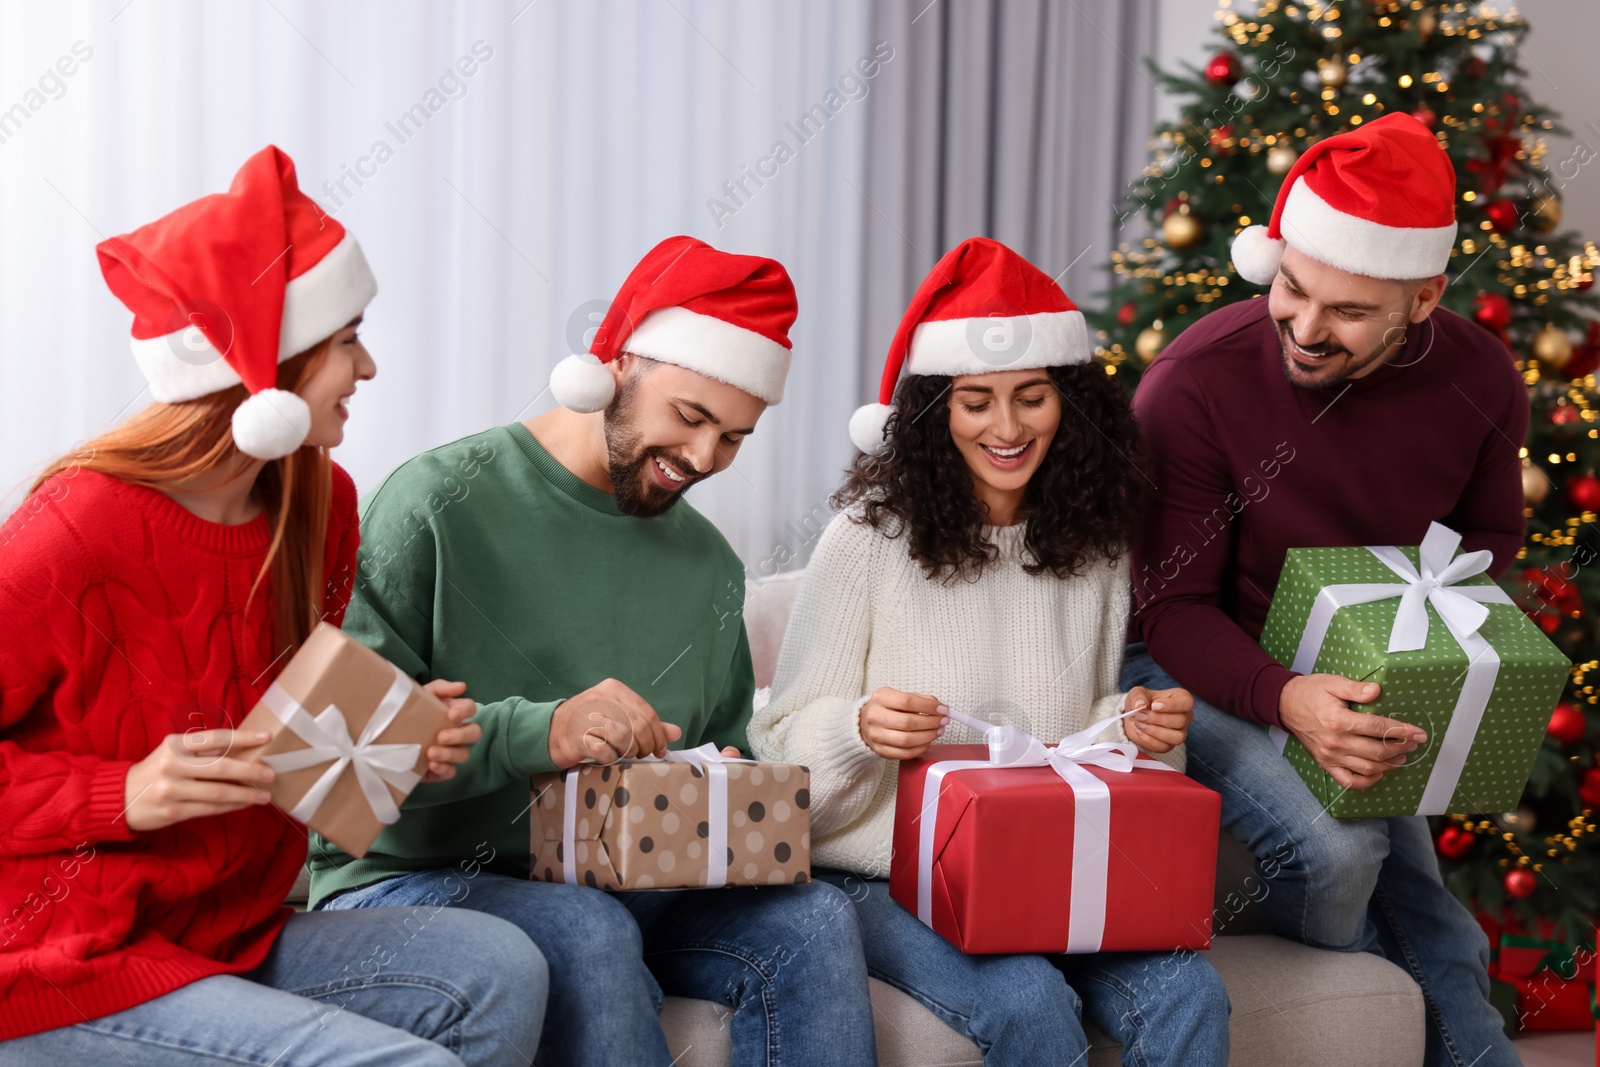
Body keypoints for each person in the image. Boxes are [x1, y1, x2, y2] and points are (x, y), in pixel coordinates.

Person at [0, 147, 546, 1066]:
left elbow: (281, 745)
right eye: (346, 339)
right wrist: (119, 793)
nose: (368, 366)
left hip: (227, 930)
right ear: (267, 361)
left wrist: (399, 741)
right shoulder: (74, 532)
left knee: (500, 969)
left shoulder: (317, 505)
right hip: (59, 958)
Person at [309, 235, 879, 1067]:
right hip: (410, 881)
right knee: (584, 926)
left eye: (733, 438)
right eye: (689, 416)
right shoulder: (436, 501)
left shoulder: (708, 563)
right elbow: (332, 771)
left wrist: (720, 782)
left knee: (815, 919)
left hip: (627, 878)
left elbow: (723, 749)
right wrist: (541, 733)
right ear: (613, 363)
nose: (702, 458)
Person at [749, 237, 1230, 1067]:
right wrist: (860, 728)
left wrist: (1138, 722)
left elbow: (1077, 735)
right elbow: (781, 755)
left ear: (1069, 404)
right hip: (882, 876)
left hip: (1041, 863)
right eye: (976, 401)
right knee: (1029, 1002)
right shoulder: (866, 541)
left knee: (1191, 992)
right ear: (939, 413)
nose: (1006, 428)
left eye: (1032, 397)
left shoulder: (1095, 545)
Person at [1123, 112, 1523, 1067]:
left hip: (1364, 662)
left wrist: (1412, 642)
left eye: (1346, 311)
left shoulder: (1481, 374)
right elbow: (1171, 608)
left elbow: (1495, 537)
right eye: (1291, 289)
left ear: (1424, 297)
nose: (1304, 328)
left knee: (1420, 891)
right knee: (1349, 853)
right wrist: (1291, 698)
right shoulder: (1194, 383)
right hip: (1205, 656)